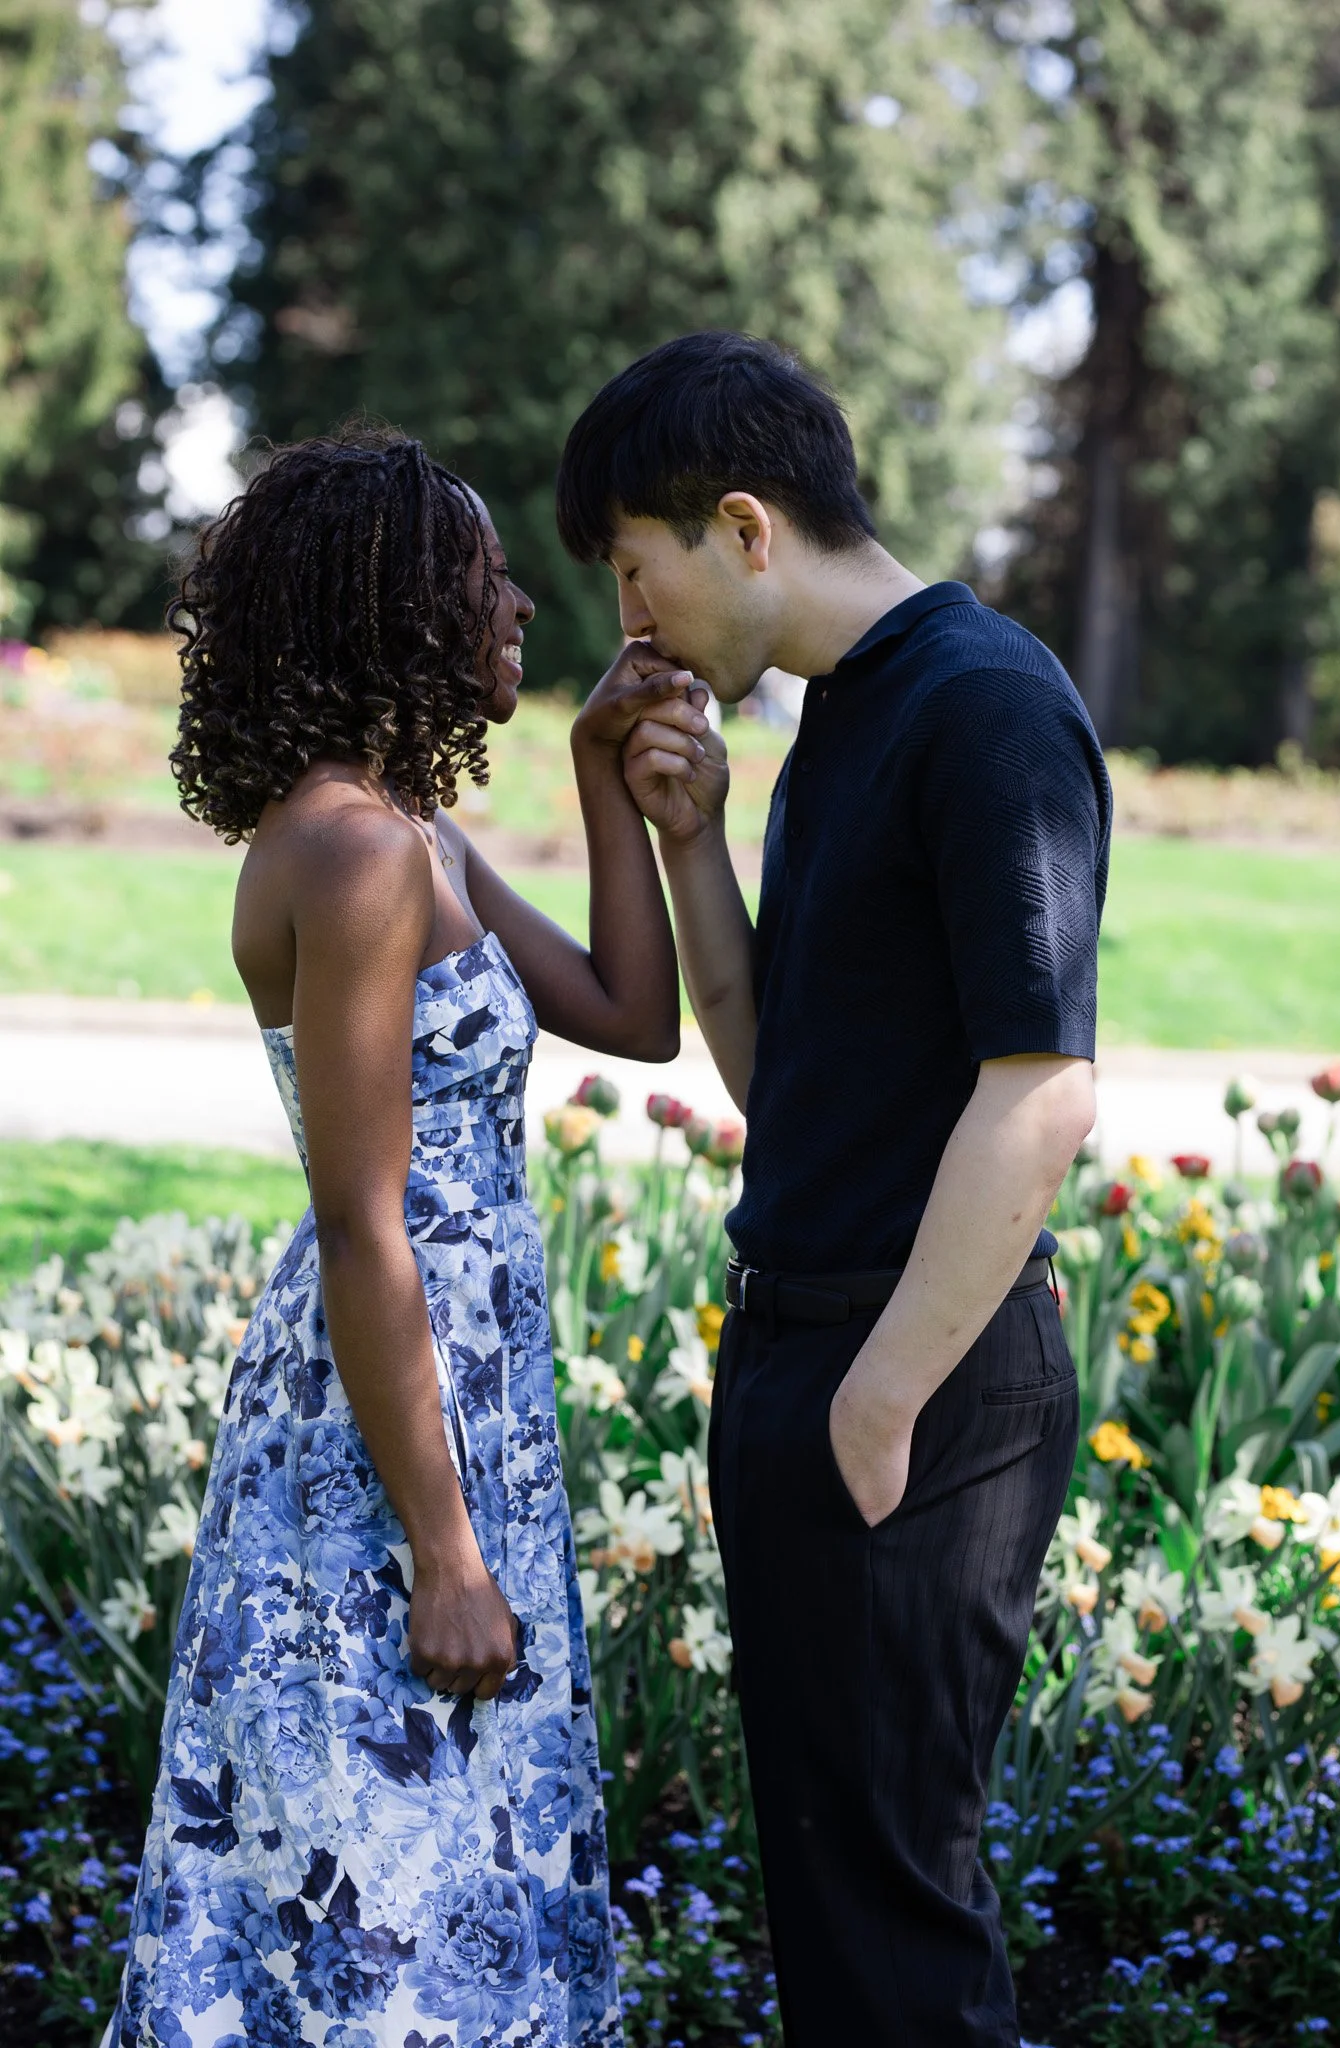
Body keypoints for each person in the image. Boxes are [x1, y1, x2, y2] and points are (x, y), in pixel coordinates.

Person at [104, 426, 706, 2048]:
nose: (516, 600)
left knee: (443, 1872)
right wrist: (444, 1549)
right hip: (382, 1433)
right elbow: (365, 1229)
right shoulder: (357, 855)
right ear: (391, 613)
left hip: (457, 1402)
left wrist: (600, 782)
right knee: (377, 1880)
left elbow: (636, 1019)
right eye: (479, 575)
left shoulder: (414, 835)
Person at [556, 333, 1111, 2048]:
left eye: (634, 579)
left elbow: (1043, 1090)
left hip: (916, 1377)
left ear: (741, 527)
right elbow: (770, 1069)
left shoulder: (985, 701)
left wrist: (876, 1403)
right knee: (838, 1911)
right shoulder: (843, 728)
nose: (629, 631)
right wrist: (691, 843)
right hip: (817, 1348)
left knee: (894, 1926)